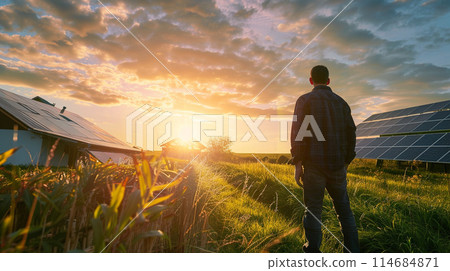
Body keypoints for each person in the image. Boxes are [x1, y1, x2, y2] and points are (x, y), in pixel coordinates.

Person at [290, 65, 360, 253]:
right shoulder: (342, 103)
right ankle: (352, 252)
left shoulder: (304, 100)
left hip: (313, 166)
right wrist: (346, 163)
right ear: (329, 81)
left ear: (311, 80)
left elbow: (298, 133)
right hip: (338, 165)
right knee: (344, 212)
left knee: (313, 210)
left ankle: (313, 251)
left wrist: (298, 165)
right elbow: (351, 133)